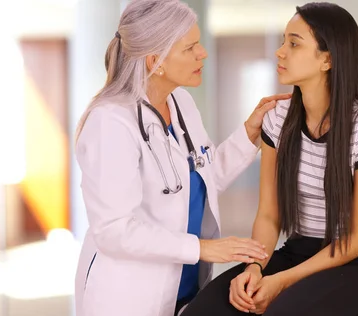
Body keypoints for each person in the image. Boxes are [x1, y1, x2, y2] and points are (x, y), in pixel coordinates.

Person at [72, 1, 291, 316]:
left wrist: (250, 132)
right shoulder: (110, 122)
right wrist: (204, 249)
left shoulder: (181, 103)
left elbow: (204, 174)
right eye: (190, 48)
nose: (202, 53)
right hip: (128, 297)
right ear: (155, 61)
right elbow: (114, 230)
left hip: (184, 289)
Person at [181, 2, 358, 316]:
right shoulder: (278, 119)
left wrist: (282, 281)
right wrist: (254, 268)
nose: (280, 52)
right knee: (204, 311)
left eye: (294, 44)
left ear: (328, 59)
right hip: (294, 252)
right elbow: (270, 215)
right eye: (283, 41)